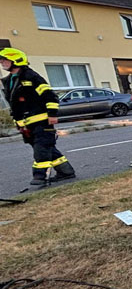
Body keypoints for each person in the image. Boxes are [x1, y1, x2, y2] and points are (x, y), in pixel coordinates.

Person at [1, 47, 76, 187]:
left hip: (42, 121)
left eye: (5, 60)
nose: (2, 63)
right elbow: (15, 105)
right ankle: (66, 171)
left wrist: (52, 114)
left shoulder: (31, 77)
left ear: (16, 60)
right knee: (47, 147)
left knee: (41, 148)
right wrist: (19, 123)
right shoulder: (9, 80)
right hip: (26, 124)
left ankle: (39, 176)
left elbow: (50, 96)